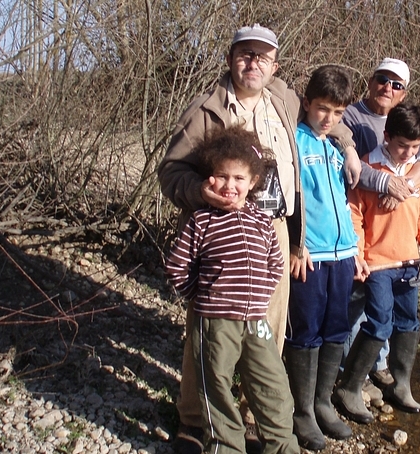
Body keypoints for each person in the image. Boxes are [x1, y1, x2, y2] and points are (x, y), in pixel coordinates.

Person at [157, 24, 360, 454]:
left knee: (267, 332)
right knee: (207, 336)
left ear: (274, 66)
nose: (253, 63)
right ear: (231, 59)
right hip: (219, 235)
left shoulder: (284, 98)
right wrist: (200, 193)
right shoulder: (206, 109)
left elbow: (327, 120)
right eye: (245, 54)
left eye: (262, 57)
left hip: (275, 232)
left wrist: (349, 147)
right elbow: (171, 172)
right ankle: (194, 423)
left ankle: (251, 416)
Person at [165, 128, 299, 454]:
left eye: (239, 178)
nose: (230, 186)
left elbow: (274, 264)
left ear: (253, 182)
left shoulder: (261, 220)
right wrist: (200, 296)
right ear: (210, 179)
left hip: (255, 319)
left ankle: (282, 445)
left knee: (273, 384)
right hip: (215, 320)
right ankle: (225, 446)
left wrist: (260, 295)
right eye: (221, 177)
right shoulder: (202, 220)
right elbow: (177, 266)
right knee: (217, 387)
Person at [334, 102, 420, 424]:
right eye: (402, 145)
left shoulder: (418, 176)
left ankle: (401, 385)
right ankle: (349, 387)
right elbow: (355, 219)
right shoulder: (366, 168)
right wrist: (358, 256)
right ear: (386, 137)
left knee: (408, 322)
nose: (408, 153)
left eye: (415, 147)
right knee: (379, 322)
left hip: (409, 264)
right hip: (376, 266)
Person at [341, 58, 420, 392]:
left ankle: (388, 375)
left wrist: (405, 188)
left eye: (396, 84)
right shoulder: (352, 116)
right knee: (362, 310)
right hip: (366, 241)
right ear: (371, 81)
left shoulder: (409, 128)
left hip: (403, 255)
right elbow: (350, 166)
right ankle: (351, 378)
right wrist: (385, 184)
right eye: (383, 80)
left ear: (404, 92)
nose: (388, 88)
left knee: (400, 317)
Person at [284, 65, 369, 451]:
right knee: (306, 331)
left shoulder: (337, 143)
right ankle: (302, 410)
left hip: (343, 253)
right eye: (322, 110)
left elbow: (348, 200)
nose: (329, 119)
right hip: (310, 255)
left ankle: (322, 402)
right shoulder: (294, 142)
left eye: (337, 113)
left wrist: (357, 250)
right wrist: (293, 244)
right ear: (306, 103)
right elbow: (283, 200)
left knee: (336, 328)